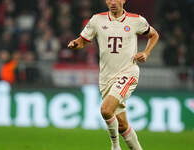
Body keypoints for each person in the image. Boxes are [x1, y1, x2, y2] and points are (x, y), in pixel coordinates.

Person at [68, 0, 159, 150]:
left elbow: (154, 35)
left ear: (123, 0)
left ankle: (115, 146)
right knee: (122, 125)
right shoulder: (97, 20)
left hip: (128, 73)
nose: (112, 2)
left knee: (105, 110)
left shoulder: (136, 20)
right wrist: (75, 44)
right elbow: (83, 41)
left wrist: (146, 53)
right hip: (106, 77)